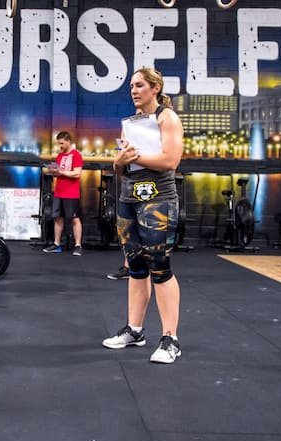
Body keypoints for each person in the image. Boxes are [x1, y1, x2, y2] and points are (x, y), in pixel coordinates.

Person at [101, 67, 184, 364]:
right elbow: (120, 166)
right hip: (129, 198)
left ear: (154, 88)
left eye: (139, 85)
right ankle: (135, 330)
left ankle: (170, 339)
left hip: (158, 199)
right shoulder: (132, 123)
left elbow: (170, 160)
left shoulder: (167, 118)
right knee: (135, 266)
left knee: (159, 266)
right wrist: (119, 160)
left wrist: (132, 157)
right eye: (131, 86)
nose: (133, 90)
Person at [42, 131, 84, 256]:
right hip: (59, 192)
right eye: (58, 143)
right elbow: (58, 173)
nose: (60, 146)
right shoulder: (59, 156)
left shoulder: (76, 155)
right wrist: (54, 171)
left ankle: (78, 245)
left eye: (61, 143)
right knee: (58, 218)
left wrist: (62, 171)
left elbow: (77, 173)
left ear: (68, 141)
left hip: (71, 193)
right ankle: (56, 244)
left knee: (75, 219)